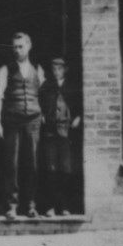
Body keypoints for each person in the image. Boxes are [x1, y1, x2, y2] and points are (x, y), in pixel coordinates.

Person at [0, 32, 46, 220]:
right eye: (14, 47)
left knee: (32, 164)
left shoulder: (38, 69)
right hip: (12, 123)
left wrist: (43, 115)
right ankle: (11, 206)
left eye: (21, 46)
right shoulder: (5, 70)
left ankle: (31, 205)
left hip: (33, 122)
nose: (17, 50)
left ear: (29, 46)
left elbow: (44, 95)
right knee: (12, 165)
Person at [39, 55, 82, 217]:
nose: (56, 71)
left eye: (60, 68)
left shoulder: (73, 87)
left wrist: (78, 117)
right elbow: (38, 102)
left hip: (67, 133)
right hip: (50, 132)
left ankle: (65, 206)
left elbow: (80, 106)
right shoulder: (46, 87)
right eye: (54, 68)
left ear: (66, 70)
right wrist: (42, 115)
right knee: (50, 169)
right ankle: (49, 206)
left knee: (66, 170)